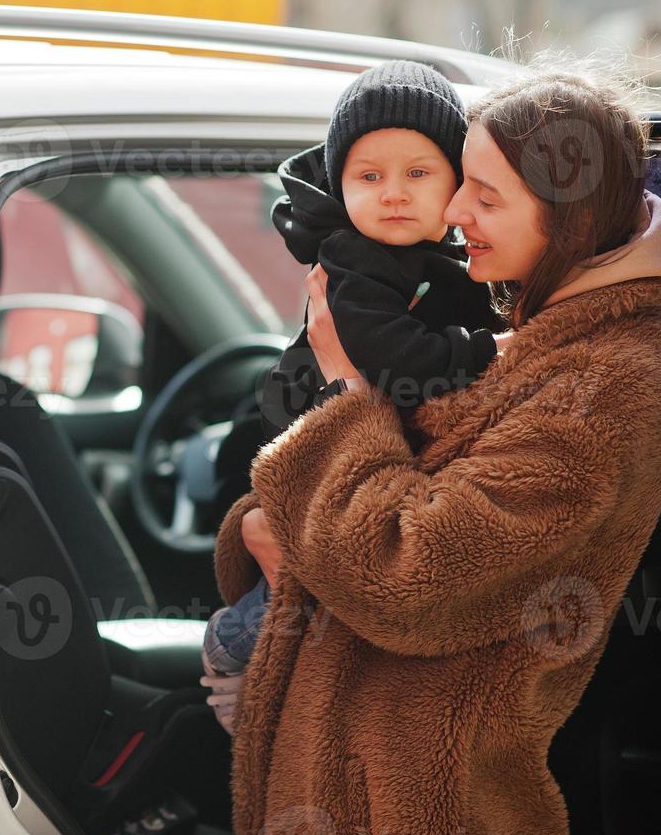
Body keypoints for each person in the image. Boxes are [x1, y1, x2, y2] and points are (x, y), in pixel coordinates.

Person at [202, 57, 661, 835]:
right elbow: (385, 478)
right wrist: (265, 524)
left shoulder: (608, 383)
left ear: (568, 214)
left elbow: (409, 573)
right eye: (461, 182)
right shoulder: (514, 325)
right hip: (358, 814)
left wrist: (343, 393)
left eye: (485, 196)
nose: (453, 211)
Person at [203, 59, 503, 681]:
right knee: (329, 579)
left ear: (458, 182)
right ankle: (234, 647)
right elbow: (394, 361)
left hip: (365, 449)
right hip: (318, 435)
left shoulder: (443, 256)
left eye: (418, 173)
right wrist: (483, 351)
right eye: (370, 177)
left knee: (338, 575)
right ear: (340, 188)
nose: (394, 192)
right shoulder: (352, 262)